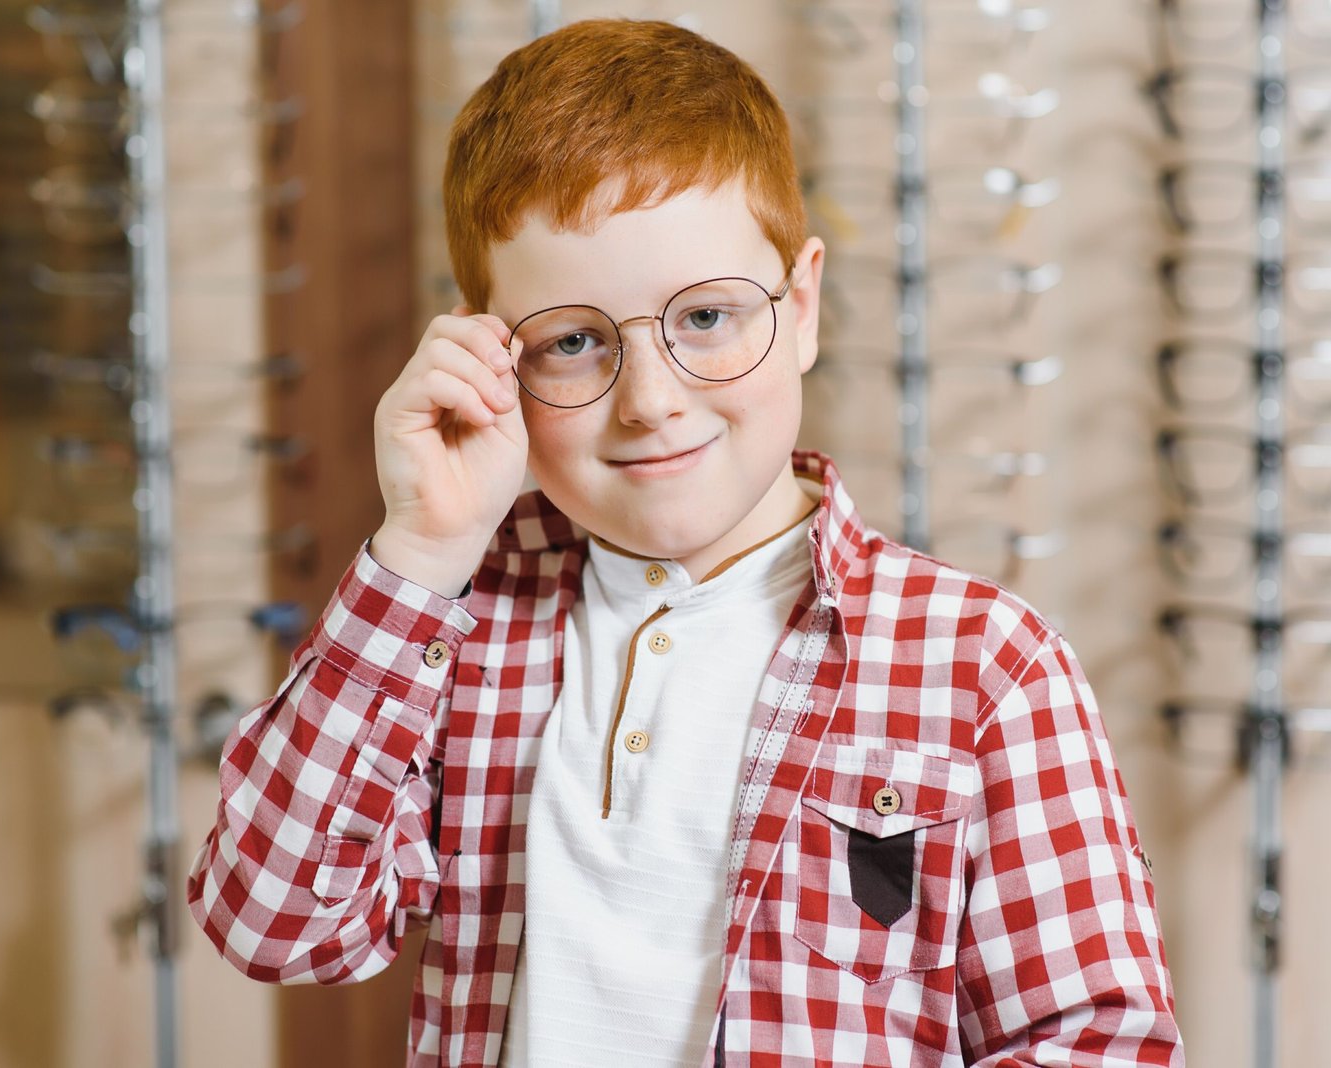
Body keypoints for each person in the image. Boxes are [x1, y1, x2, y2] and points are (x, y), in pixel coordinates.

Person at [185, 18, 1184, 1067]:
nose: (652, 403)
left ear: (800, 308)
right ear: (486, 354)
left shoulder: (981, 663)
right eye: (573, 342)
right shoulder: (457, 623)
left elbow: (1094, 1042)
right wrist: (419, 553)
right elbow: (273, 923)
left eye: (705, 318)